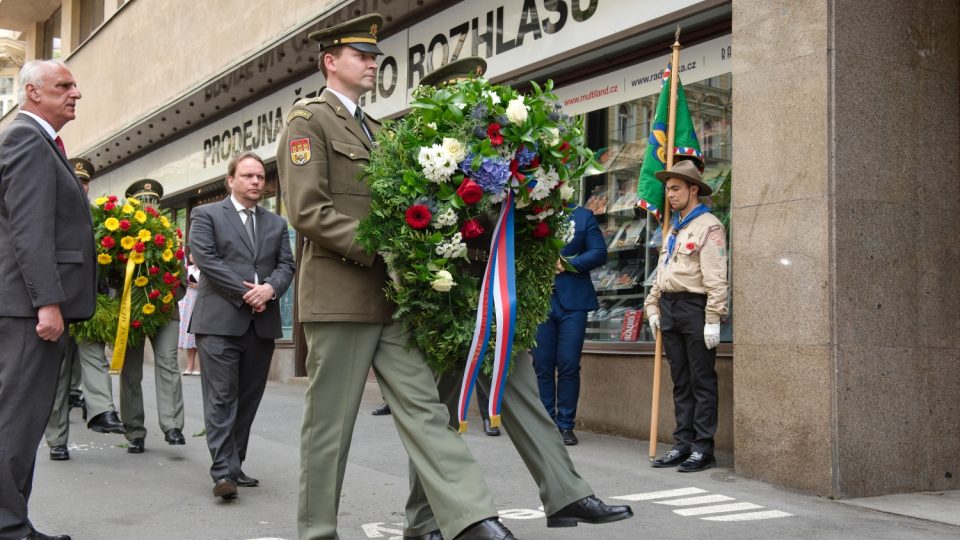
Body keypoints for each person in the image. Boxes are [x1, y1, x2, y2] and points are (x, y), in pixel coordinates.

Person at [278, 15, 515, 540]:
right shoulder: (307, 122)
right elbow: (306, 210)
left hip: (390, 297)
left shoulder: (379, 130)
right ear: (330, 62)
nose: (371, 62)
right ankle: (317, 533)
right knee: (329, 430)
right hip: (340, 297)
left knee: (426, 410)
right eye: (361, 55)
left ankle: (469, 516)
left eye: (373, 55)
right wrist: (388, 249)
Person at [402, 57, 632, 540]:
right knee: (438, 415)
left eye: (477, 90)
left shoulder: (500, 148)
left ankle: (566, 493)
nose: (474, 100)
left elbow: (522, 216)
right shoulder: (420, 152)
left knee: (525, 395)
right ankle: (423, 522)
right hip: (447, 298)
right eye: (462, 92)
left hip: (500, 299)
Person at [0, 58, 95, 540]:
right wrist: (47, 302)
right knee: (15, 421)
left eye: (75, 85)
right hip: (26, 310)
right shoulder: (25, 140)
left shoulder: (39, 142)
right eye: (64, 85)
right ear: (33, 93)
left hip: (25, 306)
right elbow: (30, 230)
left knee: (24, 420)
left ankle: (15, 521)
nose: (75, 92)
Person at [189, 152, 295, 499]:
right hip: (219, 322)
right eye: (248, 176)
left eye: (260, 177)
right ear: (230, 180)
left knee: (248, 398)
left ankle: (235, 465)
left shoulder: (277, 223)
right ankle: (223, 472)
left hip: (260, 324)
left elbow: (286, 265)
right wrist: (245, 292)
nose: (255, 182)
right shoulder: (206, 215)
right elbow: (207, 259)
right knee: (221, 397)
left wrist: (270, 288)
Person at [644, 159, 728, 472]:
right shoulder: (675, 227)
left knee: (701, 380)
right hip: (669, 307)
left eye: (676, 188)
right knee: (680, 380)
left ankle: (703, 447)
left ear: (694, 190)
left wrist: (713, 318)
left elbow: (717, 278)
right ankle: (683, 443)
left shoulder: (709, 226)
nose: (670, 194)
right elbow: (662, 273)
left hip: (695, 307)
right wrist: (653, 308)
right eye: (667, 189)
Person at [45, 158, 126, 462]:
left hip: (92, 302)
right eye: (76, 180)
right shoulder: (52, 209)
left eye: (85, 181)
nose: (81, 186)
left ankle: (102, 412)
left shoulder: (103, 218)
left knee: (94, 356)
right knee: (59, 374)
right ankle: (57, 440)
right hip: (60, 302)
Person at [117, 180, 188, 454]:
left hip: (165, 310)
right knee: (130, 372)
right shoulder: (123, 234)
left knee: (169, 364)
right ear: (133, 204)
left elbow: (180, 274)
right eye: (143, 201)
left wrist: (166, 291)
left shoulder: (169, 235)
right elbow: (110, 275)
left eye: (153, 202)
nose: (149, 207)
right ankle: (134, 431)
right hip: (131, 312)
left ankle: (172, 426)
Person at [532, 205, 607, 446]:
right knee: (542, 366)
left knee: (568, 365)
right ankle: (545, 424)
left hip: (573, 304)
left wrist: (567, 263)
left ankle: (565, 426)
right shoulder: (532, 212)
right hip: (540, 302)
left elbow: (599, 252)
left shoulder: (583, 216)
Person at [179, 251, 201, 375]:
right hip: (187, 302)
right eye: (191, 253)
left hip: (198, 301)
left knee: (197, 335)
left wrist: (199, 286)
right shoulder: (188, 269)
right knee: (189, 336)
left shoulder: (204, 269)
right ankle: (190, 366)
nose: (191, 255)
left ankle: (199, 367)